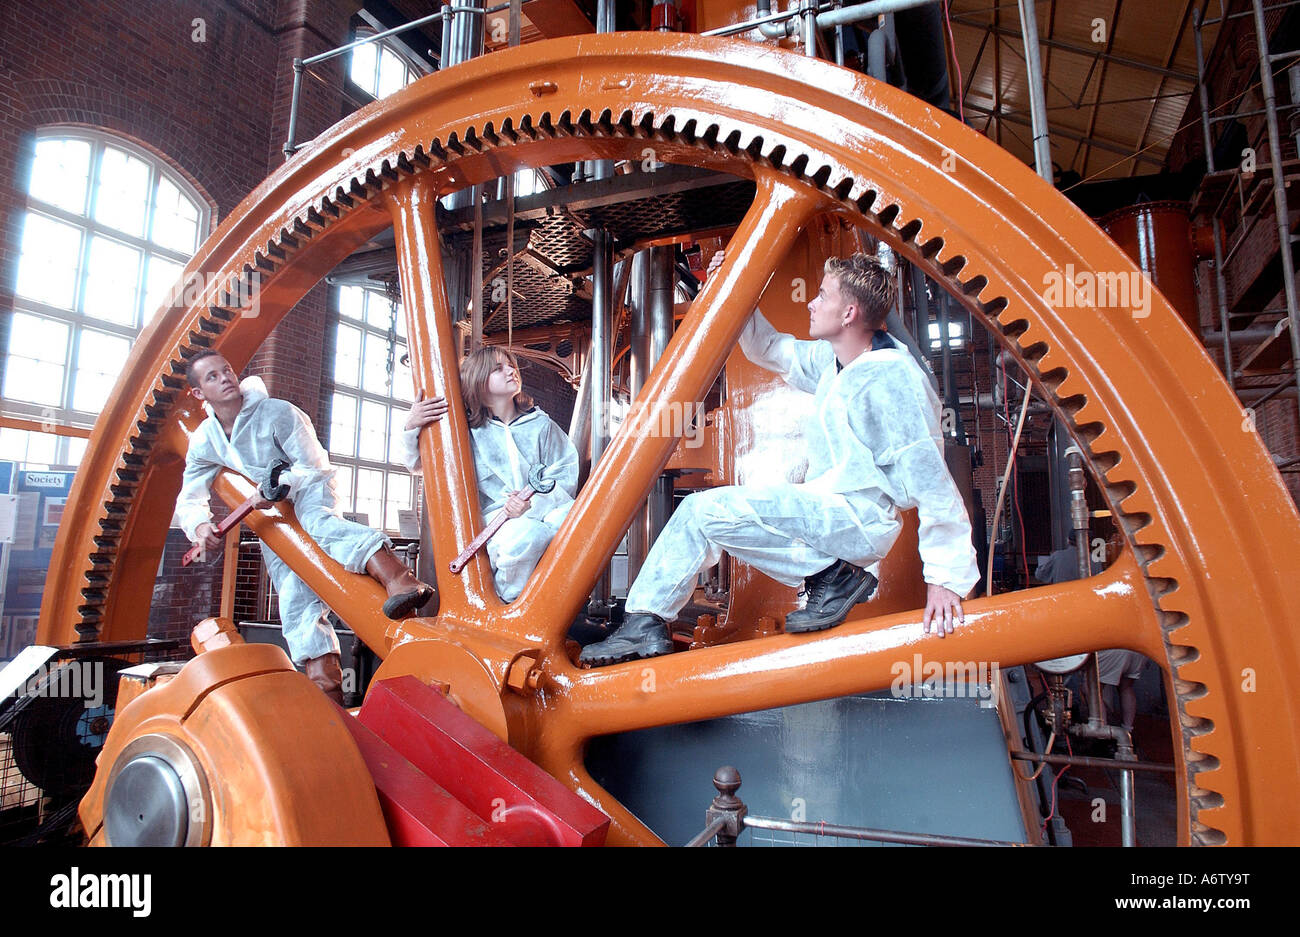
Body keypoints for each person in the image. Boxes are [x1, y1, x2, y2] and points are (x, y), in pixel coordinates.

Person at [580, 251, 980, 666]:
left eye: (822, 296)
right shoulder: (837, 362)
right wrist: (730, 288)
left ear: (849, 312)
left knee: (702, 512)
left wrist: (945, 580)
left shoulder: (893, 377)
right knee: (717, 521)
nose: (811, 302)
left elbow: (932, 482)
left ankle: (646, 622)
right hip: (833, 512)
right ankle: (831, 575)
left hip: (858, 520)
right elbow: (772, 348)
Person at [174, 351, 434, 704]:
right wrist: (200, 526)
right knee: (294, 596)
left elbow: (311, 465)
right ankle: (325, 691)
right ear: (198, 393)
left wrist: (279, 486)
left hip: (311, 489)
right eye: (212, 377)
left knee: (321, 525)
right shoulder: (206, 439)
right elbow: (191, 494)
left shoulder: (278, 412)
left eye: (227, 370)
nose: (225, 378)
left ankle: (399, 579)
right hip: (273, 513)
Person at [399, 347, 579, 603]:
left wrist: (532, 504)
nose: (511, 370)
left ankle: (558, 603)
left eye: (510, 365)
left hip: (542, 511)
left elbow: (564, 473)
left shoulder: (541, 425)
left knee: (576, 519)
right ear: (478, 380)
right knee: (528, 537)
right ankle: (508, 604)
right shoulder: (465, 433)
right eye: (498, 368)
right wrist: (411, 425)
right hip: (494, 522)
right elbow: (418, 463)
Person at [1035, 531, 1147, 732]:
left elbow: (1039, 575)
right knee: (1126, 687)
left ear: (1068, 541)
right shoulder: (1097, 562)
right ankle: (1126, 730)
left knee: (1091, 688)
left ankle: (1104, 732)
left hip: (1078, 626)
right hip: (1131, 641)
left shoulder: (1059, 557)